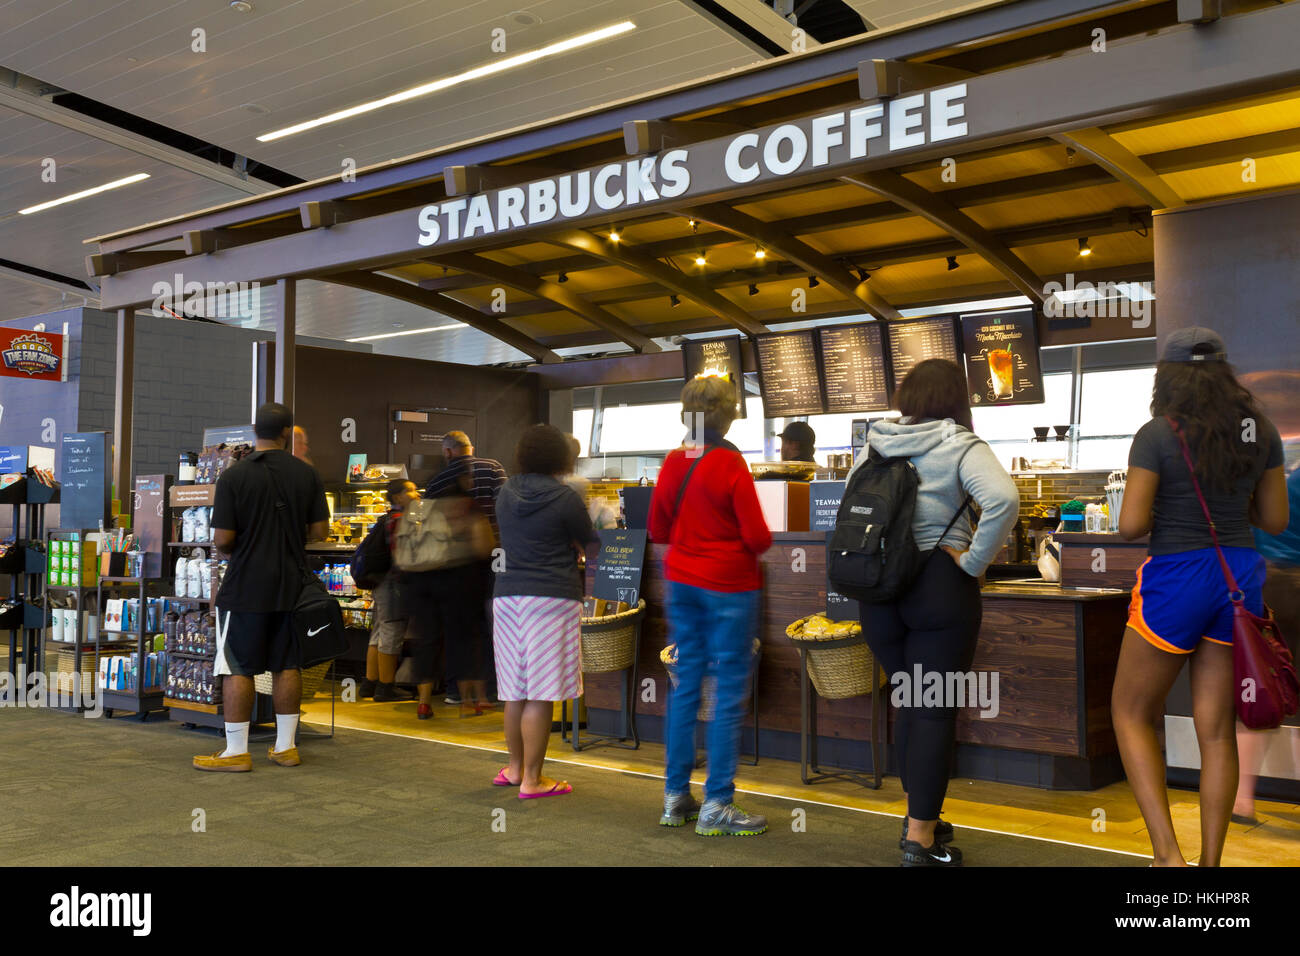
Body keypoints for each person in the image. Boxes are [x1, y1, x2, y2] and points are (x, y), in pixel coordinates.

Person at [1113, 327, 1288, 867]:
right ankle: (1210, 867)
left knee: (1131, 712)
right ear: (1224, 372)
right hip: (1239, 579)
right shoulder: (1259, 430)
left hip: (1178, 576)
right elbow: (1274, 519)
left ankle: (1169, 858)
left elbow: (1131, 524)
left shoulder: (1156, 434)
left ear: (1166, 376)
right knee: (1216, 729)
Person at [848, 359, 1019, 865]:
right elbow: (1003, 500)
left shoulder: (875, 444)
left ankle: (918, 816)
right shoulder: (960, 444)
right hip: (937, 589)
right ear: (957, 399)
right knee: (932, 709)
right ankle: (919, 841)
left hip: (878, 592)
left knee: (910, 702)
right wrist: (972, 560)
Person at [649, 376, 773, 836]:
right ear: (728, 415)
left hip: (681, 584)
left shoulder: (674, 461)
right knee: (726, 694)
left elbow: (658, 528)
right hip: (729, 588)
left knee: (685, 689)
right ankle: (718, 803)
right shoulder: (730, 463)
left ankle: (675, 797)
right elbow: (758, 536)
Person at [195, 402, 329, 772]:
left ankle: (237, 751)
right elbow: (320, 533)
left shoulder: (235, 477)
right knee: (287, 664)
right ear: (286, 433)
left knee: (238, 666)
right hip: (292, 584)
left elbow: (223, 540)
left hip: (246, 585)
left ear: (256, 431)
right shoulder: (307, 476)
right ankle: (286, 747)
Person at [492, 424, 597, 797]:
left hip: (506, 597)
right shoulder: (565, 497)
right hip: (551, 597)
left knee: (514, 691)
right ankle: (534, 781)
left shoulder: (504, 493)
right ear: (561, 457)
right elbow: (592, 545)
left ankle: (515, 769)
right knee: (541, 692)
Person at [1235, 466, 1300, 823]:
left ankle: (1242, 799)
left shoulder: (1284, 481)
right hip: (1292, 584)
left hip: (1270, 585)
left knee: (1264, 687)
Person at [425, 430, 507, 707]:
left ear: (448, 452)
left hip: (450, 565)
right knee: (491, 624)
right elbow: (506, 505)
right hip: (494, 556)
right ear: (470, 447)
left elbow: (428, 526)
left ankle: (454, 690)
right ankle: (494, 689)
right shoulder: (493, 467)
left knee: (455, 628)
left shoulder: (435, 482)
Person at [358, 479, 419, 703]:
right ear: (397, 497)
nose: (416, 494)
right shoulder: (400, 520)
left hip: (381, 582)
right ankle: (386, 687)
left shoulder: (385, 519)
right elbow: (401, 556)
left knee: (379, 632)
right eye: (410, 491)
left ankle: (369, 683)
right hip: (394, 583)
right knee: (392, 633)